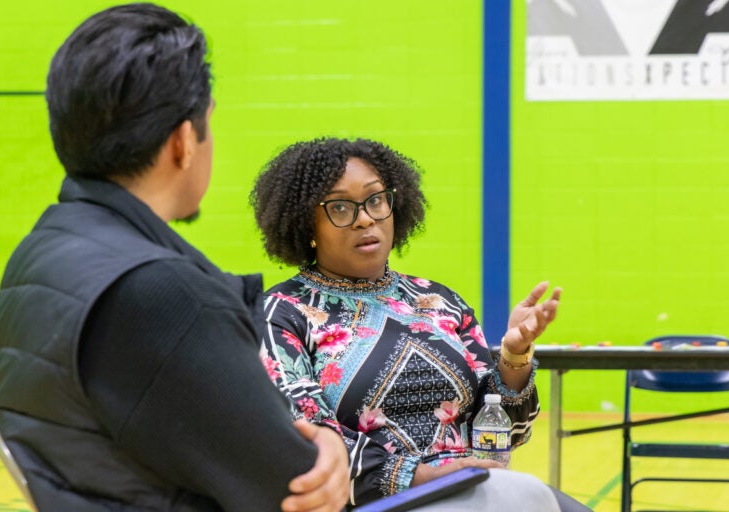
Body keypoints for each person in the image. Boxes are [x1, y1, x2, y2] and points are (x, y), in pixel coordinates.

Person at [0, 5, 349, 511]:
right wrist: (331, 447)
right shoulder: (161, 294)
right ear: (182, 142)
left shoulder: (39, 253)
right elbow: (297, 491)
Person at [250, 137, 591, 511]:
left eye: (375, 200)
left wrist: (514, 356)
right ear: (306, 224)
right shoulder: (282, 313)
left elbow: (505, 432)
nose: (365, 218)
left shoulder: (440, 301)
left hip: (472, 489)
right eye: (341, 207)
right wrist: (425, 478)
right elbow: (303, 437)